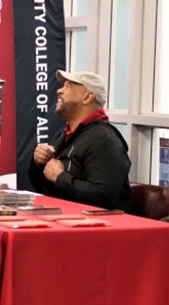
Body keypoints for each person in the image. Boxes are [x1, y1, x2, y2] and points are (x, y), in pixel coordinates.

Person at [28, 70, 131, 211]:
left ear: (87, 97)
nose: (59, 90)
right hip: (60, 216)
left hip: (93, 227)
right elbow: (45, 188)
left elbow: (104, 196)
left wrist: (60, 177)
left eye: (68, 86)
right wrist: (38, 164)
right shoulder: (63, 135)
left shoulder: (104, 139)